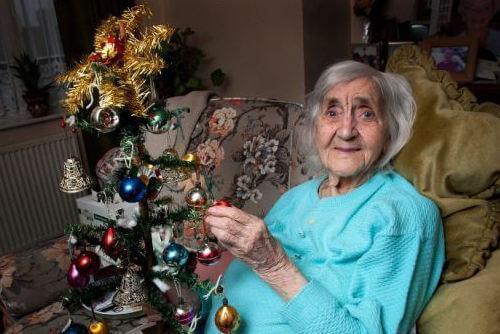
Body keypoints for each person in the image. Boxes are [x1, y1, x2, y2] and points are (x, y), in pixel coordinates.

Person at [203, 61, 445, 334]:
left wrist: (275, 266)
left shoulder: (403, 215)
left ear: (389, 133)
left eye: (366, 114)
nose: (345, 130)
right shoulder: (294, 198)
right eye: (332, 112)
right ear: (316, 127)